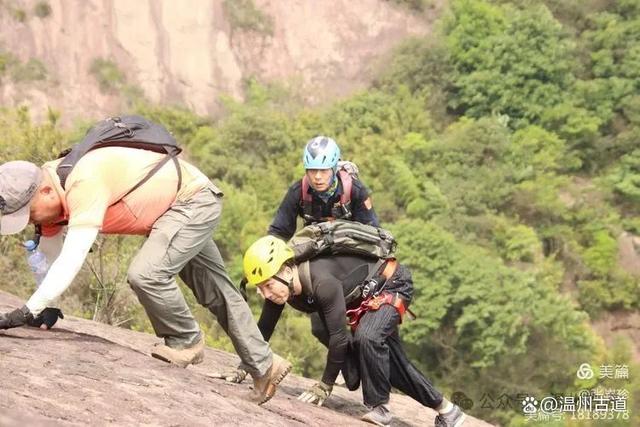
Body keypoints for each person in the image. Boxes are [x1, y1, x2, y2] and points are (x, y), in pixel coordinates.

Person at [0, 147, 290, 404]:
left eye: (28, 212)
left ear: (45, 192)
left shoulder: (82, 183)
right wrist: (46, 307)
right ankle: (265, 367)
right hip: (177, 207)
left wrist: (27, 311)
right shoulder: (49, 191)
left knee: (146, 274)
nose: (29, 220)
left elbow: (72, 258)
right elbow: (53, 255)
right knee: (217, 291)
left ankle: (185, 340)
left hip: (191, 201)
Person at [242, 236, 467, 427]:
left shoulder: (321, 281)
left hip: (391, 283)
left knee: (367, 338)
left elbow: (340, 338)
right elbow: (264, 328)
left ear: (288, 270)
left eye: (268, 285)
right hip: (365, 299)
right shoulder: (283, 287)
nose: (266, 293)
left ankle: (380, 409)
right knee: (380, 359)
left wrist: (325, 384)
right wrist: (246, 366)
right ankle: (447, 410)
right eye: (260, 288)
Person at [268, 135, 379, 241]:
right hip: (314, 249)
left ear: (334, 169)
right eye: (312, 170)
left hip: (350, 249)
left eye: (324, 171)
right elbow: (279, 233)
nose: (317, 177)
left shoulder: (355, 190)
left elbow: (372, 232)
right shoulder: (298, 192)